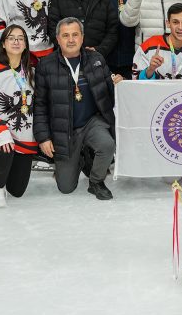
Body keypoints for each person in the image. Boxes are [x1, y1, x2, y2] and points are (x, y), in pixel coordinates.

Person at [33, 17, 121, 200]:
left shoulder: (96, 59)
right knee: (66, 187)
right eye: (65, 35)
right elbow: (40, 104)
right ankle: (81, 157)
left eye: (75, 35)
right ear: (57, 39)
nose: (71, 40)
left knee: (107, 145)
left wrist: (117, 83)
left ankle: (96, 181)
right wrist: (43, 137)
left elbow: (108, 93)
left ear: (82, 37)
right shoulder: (46, 65)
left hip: (91, 122)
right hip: (64, 130)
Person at [0, 25, 38, 207]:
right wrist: (1, 133)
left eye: (21, 38)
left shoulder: (31, 71)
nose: (16, 41)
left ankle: (6, 177)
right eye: (11, 38)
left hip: (24, 135)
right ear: (3, 43)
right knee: (6, 148)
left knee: (17, 190)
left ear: (26, 45)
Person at [132, 3, 182, 80]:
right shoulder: (149, 46)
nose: (180, 27)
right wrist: (150, 69)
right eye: (175, 22)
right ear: (168, 23)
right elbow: (135, 82)